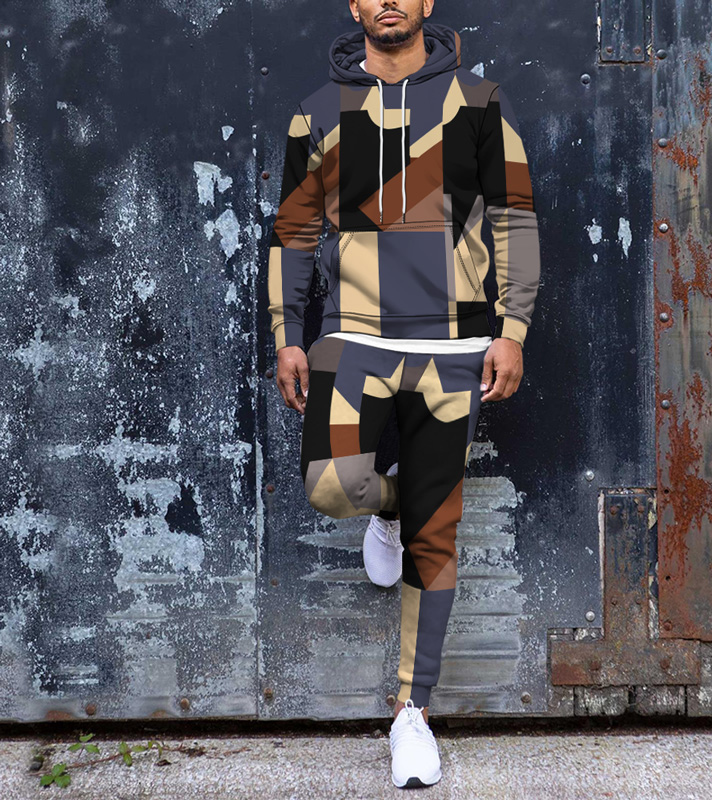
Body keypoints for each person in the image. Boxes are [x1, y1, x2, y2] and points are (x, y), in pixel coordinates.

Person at [266, 0, 540, 788]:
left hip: (453, 348)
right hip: (350, 338)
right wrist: (287, 333)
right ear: (355, 6)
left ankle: (411, 713)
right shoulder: (318, 113)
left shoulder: (479, 103)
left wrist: (513, 328)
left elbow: (516, 216)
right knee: (331, 484)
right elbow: (293, 233)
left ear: (426, 3)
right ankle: (392, 507)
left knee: (437, 535)